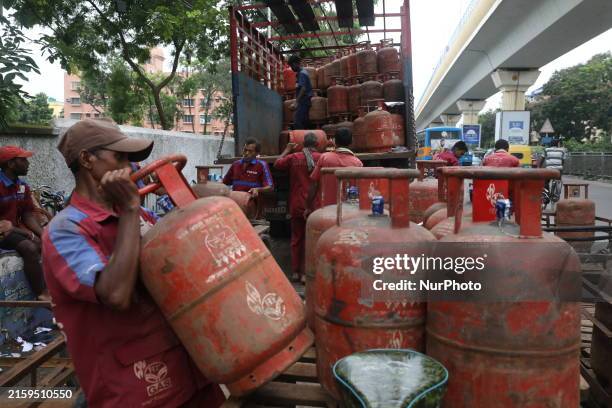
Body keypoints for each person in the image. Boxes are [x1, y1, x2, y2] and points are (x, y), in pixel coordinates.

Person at [41, 119, 225, 408]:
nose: (129, 168)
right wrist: (129, 210)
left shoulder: (141, 217)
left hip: (192, 373)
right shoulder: (66, 231)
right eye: (120, 158)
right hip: (137, 389)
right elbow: (115, 294)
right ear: (87, 159)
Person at [0, 146, 49, 300]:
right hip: (3, 233)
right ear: (10, 164)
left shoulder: (22, 186)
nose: (28, 163)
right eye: (23, 160)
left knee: (46, 244)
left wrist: (44, 235)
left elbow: (27, 214)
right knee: (29, 247)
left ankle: (53, 287)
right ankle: (41, 293)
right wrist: (28, 234)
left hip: (12, 231)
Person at [274, 133, 322, 283]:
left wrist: (287, 149)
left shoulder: (294, 158)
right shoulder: (322, 158)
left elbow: (277, 163)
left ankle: (295, 272)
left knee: (296, 238)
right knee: (311, 239)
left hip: (296, 204)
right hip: (314, 205)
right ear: (318, 144)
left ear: (303, 144)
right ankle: (305, 274)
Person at [304, 127, 363, 217]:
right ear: (352, 142)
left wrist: (308, 207)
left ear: (335, 141)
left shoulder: (325, 158)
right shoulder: (357, 163)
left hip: (325, 212)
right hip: (348, 213)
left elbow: (314, 184)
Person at [288, 55, 312, 130]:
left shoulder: (302, 73)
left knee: (298, 123)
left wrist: (296, 102)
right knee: (304, 123)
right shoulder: (301, 73)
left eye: (291, 66)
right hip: (304, 102)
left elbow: (303, 89)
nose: (291, 68)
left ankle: (300, 140)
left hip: (304, 102)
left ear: (295, 64)